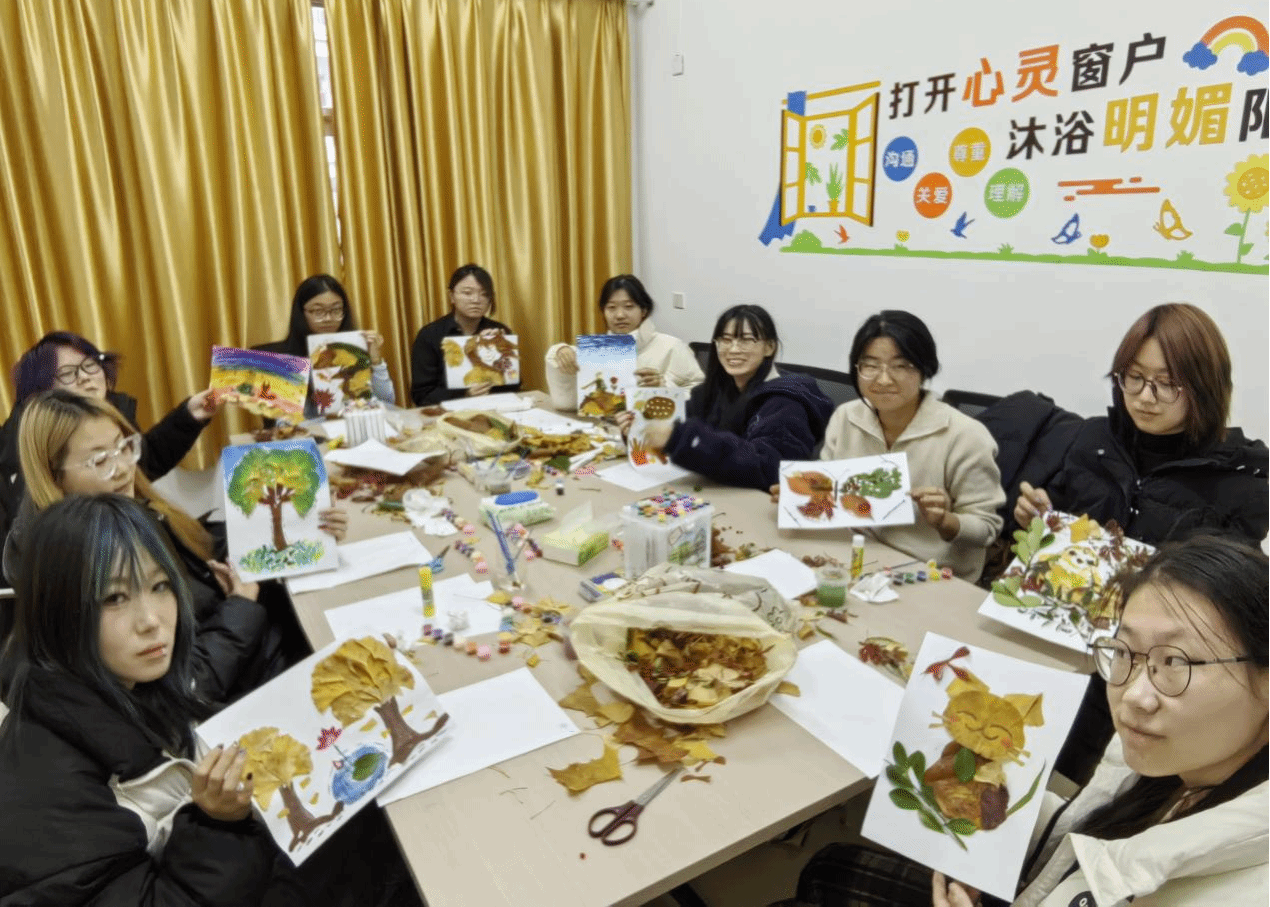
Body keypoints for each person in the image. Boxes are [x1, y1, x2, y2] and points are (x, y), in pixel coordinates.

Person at [787, 535, 1268, 907]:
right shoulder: (1181, 763)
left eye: (1176, 662)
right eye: (1125, 651)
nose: (1135, 697)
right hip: (1038, 887)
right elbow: (1083, 829)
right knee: (827, 866)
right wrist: (992, 815)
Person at [0, 493, 291, 905]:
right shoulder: (48, 789)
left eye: (160, 586)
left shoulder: (133, 682)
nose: (152, 621)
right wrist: (217, 823)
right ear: (60, 612)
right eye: (114, 598)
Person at [2, 390, 348, 702]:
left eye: (123, 447)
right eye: (100, 460)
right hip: (245, 691)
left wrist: (303, 525)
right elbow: (186, 685)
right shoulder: (83, 567)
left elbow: (199, 546)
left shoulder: (129, 509)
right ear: (54, 477)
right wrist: (242, 607)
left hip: (257, 647)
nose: (123, 468)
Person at [1014, 303, 1268, 546]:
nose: (1145, 397)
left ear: (1204, 388)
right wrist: (1043, 519)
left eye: (1167, 383)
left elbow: (1235, 575)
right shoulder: (1094, 439)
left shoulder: (1238, 481)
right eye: (1135, 376)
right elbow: (1066, 527)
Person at [812, 311, 1004, 581]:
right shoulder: (846, 417)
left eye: (900, 366)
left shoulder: (966, 436)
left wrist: (945, 521)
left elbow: (986, 528)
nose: (883, 379)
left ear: (924, 370)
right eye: (870, 366)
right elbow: (828, 491)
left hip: (929, 573)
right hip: (852, 554)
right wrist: (804, 495)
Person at [1, 330, 219, 548]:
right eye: (67, 373)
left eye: (90, 364)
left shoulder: (111, 413)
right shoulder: (22, 458)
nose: (85, 376)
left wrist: (191, 415)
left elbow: (144, 462)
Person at [622, 304, 832, 490]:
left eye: (746, 340)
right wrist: (641, 428)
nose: (733, 349)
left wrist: (677, 438)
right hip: (712, 490)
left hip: (757, 504)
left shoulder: (785, 403)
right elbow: (677, 425)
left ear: (769, 347)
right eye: (726, 339)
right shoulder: (715, 390)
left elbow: (768, 466)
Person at [544, 274, 704, 409]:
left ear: (643, 310)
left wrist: (664, 387)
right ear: (603, 312)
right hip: (602, 429)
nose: (619, 315)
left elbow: (701, 396)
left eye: (628, 306)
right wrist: (560, 351)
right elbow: (565, 402)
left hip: (653, 431)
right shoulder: (596, 351)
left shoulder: (671, 346)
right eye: (611, 308)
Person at [255, 273, 396, 418]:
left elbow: (387, 402)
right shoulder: (281, 359)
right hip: (311, 431)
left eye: (336, 310)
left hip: (356, 425)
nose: (328, 318)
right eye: (318, 311)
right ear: (301, 313)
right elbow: (281, 421)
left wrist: (376, 361)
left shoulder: (354, 347)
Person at [410, 263, 520, 405]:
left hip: (494, 409)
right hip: (447, 413)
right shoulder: (430, 335)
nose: (476, 300)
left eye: (484, 294)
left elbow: (514, 386)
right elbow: (422, 395)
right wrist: (464, 394)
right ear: (452, 296)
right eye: (467, 293)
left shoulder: (499, 331)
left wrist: (501, 350)